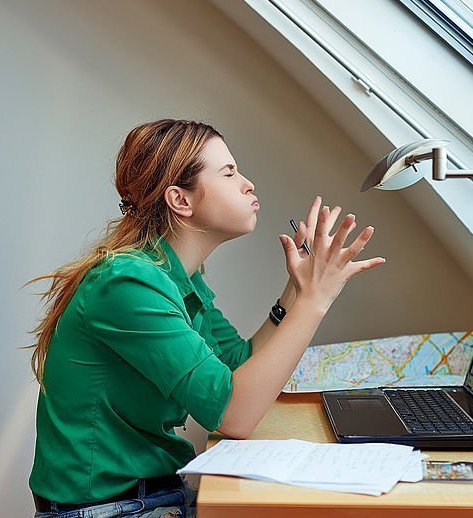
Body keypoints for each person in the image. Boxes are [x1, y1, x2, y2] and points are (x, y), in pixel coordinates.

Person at [27, 118, 385, 517]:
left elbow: (238, 362)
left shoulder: (173, 274)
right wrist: (315, 301)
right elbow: (235, 415)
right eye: (229, 173)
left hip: (152, 494)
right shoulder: (128, 285)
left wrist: (297, 293)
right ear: (181, 200)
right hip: (108, 508)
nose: (247, 183)